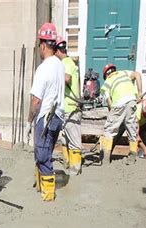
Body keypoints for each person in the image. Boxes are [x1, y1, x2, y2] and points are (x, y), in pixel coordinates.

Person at [26, 23, 65, 201]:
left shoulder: (43, 68)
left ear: (43, 45)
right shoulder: (59, 64)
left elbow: (36, 101)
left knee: (42, 156)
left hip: (46, 118)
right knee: (45, 152)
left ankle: (48, 195)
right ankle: (41, 185)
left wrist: (29, 121)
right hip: (58, 117)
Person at [99, 63, 142, 164]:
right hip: (131, 101)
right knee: (131, 128)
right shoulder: (124, 73)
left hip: (118, 104)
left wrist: (112, 114)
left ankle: (105, 159)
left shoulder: (107, 83)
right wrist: (140, 93)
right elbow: (137, 75)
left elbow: (109, 102)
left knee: (109, 130)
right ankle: (132, 157)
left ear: (105, 75)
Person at [55, 36, 82, 175]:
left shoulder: (66, 62)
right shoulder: (67, 62)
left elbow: (67, 78)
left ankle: (76, 167)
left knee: (74, 138)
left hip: (71, 107)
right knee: (65, 138)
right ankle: (68, 163)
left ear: (58, 51)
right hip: (66, 108)